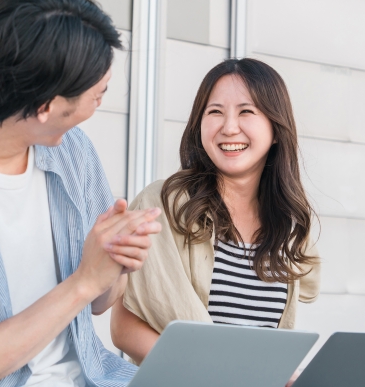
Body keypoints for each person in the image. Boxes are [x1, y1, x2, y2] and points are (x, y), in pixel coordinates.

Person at [0, 0, 161, 387]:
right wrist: (83, 281)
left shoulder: (71, 150)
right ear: (46, 108)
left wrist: (115, 265)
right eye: (98, 94)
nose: (99, 105)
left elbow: (100, 306)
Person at [110, 59, 321, 377]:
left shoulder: (288, 225)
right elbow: (123, 329)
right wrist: (215, 375)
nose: (229, 127)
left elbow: (268, 340)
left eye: (246, 112)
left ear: (276, 130)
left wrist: (284, 374)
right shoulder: (164, 204)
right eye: (215, 112)